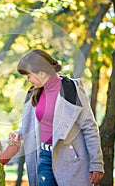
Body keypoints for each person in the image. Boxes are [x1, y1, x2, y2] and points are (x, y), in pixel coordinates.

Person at [12, 49, 104, 185]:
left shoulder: (72, 89)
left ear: (42, 74)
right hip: (43, 157)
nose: (28, 80)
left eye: (29, 76)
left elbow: (89, 127)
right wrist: (18, 133)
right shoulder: (34, 92)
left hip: (70, 160)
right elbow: (32, 122)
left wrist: (96, 162)